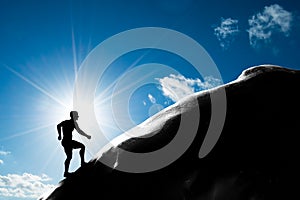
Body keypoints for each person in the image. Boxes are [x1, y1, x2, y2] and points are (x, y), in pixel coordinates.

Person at [57, 111, 91, 177]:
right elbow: (58, 125)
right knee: (70, 156)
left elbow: (79, 131)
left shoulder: (74, 123)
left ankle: (81, 163)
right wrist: (59, 135)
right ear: (73, 116)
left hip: (69, 141)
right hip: (66, 142)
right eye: (77, 115)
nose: (78, 117)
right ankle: (66, 172)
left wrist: (86, 135)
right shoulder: (66, 122)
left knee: (81, 147)